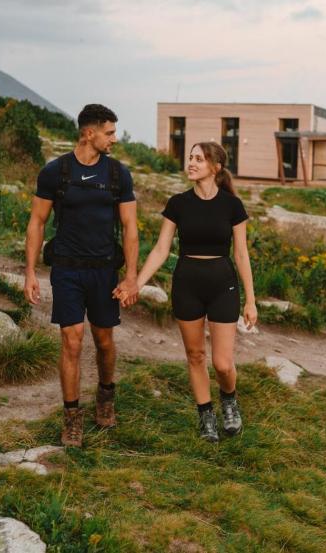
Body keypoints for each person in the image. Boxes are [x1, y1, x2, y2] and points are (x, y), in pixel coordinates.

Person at [24, 104, 139, 448]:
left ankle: (105, 396)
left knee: (104, 341)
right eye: (109, 133)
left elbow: (130, 227)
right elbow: (37, 222)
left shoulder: (118, 175)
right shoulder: (55, 172)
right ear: (89, 133)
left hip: (105, 271)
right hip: (67, 270)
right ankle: (71, 417)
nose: (114, 139)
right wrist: (30, 272)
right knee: (71, 340)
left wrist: (131, 276)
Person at [128, 142, 257, 441]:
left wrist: (250, 300)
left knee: (223, 364)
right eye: (190, 157)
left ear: (216, 167)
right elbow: (161, 249)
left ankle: (229, 401)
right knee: (195, 355)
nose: (192, 163)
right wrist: (138, 283)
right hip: (187, 283)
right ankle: (206, 416)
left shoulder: (232, 206)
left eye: (199, 159)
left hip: (222, 283)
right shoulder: (178, 204)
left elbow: (241, 254)